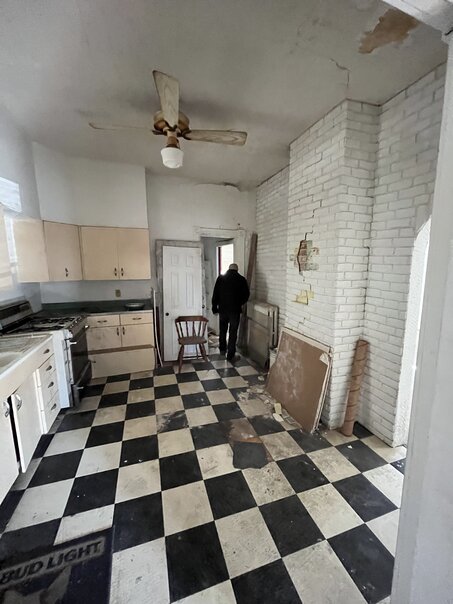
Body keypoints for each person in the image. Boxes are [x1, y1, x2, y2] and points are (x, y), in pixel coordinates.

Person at [212, 263, 250, 361]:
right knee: (233, 332)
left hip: (223, 309)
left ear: (228, 269)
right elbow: (246, 295)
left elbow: (215, 293)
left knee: (222, 329)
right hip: (234, 310)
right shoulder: (241, 279)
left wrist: (214, 308)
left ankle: (222, 349)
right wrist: (239, 303)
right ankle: (231, 354)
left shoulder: (221, 278)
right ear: (237, 270)